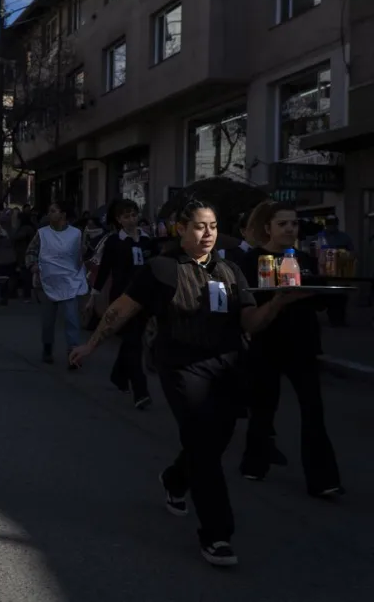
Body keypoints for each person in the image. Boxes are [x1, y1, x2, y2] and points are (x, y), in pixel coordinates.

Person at [69, 198, 311, 567]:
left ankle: (175, 478)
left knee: (213, 442)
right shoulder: (161, 268)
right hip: (182, 367)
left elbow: (250, 323)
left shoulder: (231, 270)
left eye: (213, 227)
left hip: (228, 367)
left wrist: (277, 303)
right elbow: (122, 307)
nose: (207, 234)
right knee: (202, 443)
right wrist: (91, 344)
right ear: (181, 229)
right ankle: (217, 534)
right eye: (199, 226)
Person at [237, 201, 342, 496]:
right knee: (263, 409)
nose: (289, 229)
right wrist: (281, 300)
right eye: (283, 224)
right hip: (267, 343)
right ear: (268, 227)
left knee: (313, 411)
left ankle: (324, 481)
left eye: (294, 224)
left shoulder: (305, 258)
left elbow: (322, 301)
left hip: (303, 345)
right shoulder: (252, 260)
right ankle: (254, 463)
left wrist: (320, 285)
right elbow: (248, 304)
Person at [90, 199, 158, 409]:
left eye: (133, 215)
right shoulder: (113, 242)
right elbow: (104, 270)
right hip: (122, 298)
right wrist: (93, 295)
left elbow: (155, 268)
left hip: (144, 298)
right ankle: (141, 391)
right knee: (133, 342)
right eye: (126, 216)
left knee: (133, 340)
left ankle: (118, 375)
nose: (131, 220)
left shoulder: (147, 241)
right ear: (118, 220)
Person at [25, 201, 89, 365]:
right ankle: (47, 348)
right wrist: (33, 266)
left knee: (72, 319)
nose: (49, 214)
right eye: (49, 211)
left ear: (63, 214)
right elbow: (31, 251)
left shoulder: (76, 234)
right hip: (47, 282)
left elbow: (85, 253)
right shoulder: (42, 233)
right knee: (48, 320)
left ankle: (73, 352)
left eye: (53, 211)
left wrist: (86, 255)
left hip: (69, 281)